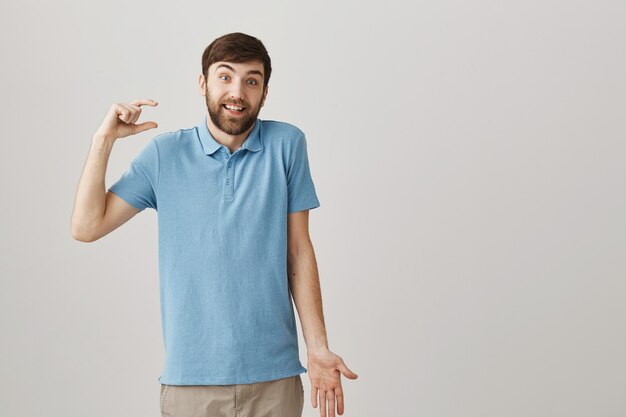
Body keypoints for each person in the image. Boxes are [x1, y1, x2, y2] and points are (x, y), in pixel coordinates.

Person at [71, 32, 358, 417]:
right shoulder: (164, 154)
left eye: (251, 81)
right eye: (225, 77)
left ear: (264, 92)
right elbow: (87, 227)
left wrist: (318, 347)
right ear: (203, 83)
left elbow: (298, 250)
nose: (237, 92)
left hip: (274, 379)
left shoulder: (287, 145)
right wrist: (103, 140)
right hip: (191, 382)